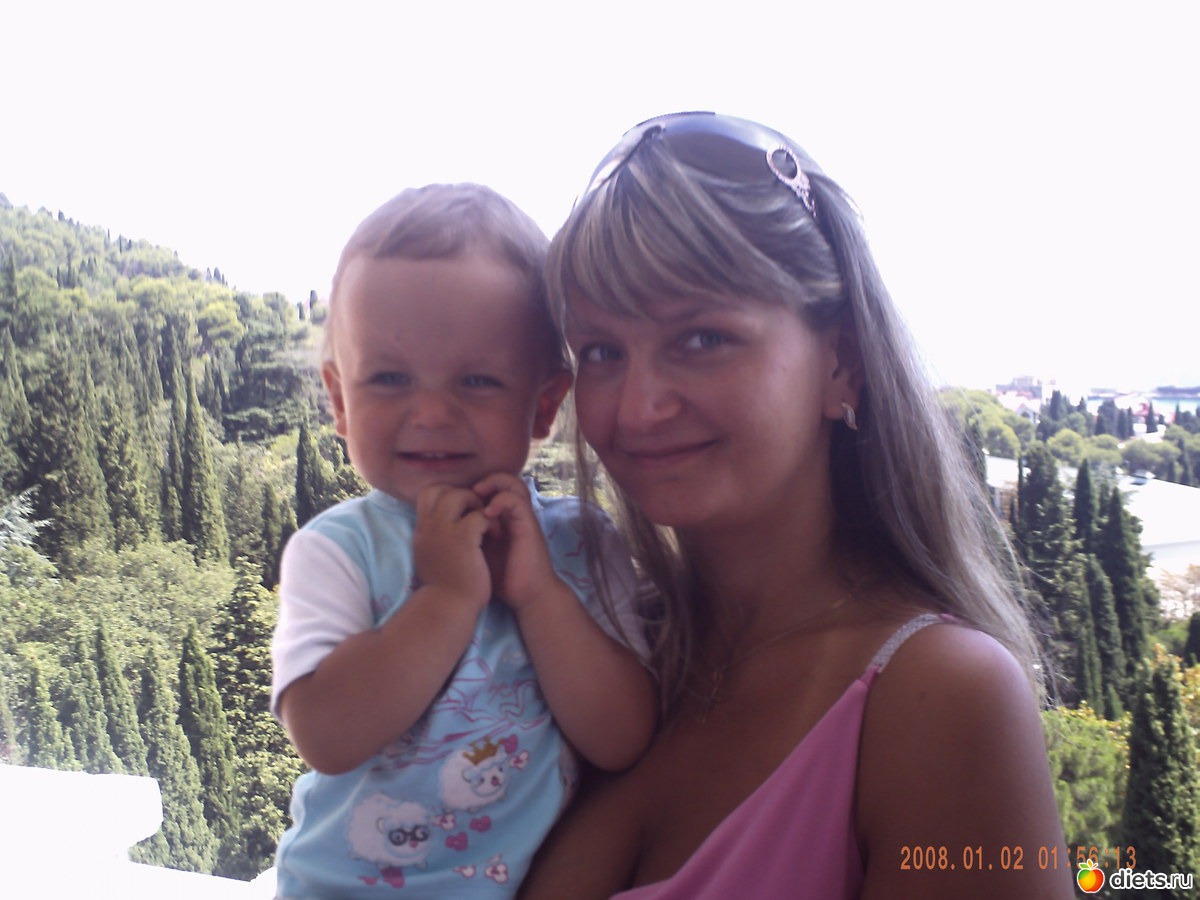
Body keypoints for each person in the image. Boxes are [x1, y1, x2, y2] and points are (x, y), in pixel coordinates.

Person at [518, 113, 1073, 899]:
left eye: (701, 338)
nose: (636, 409)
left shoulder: (943, 702)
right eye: (603, 351)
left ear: (840, 362)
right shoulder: (588, 642)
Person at [270, 183, 657, 898]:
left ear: (544, 404)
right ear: (340, 401)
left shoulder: (581, 540)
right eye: (389, 378)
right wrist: (447, 597)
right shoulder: (336, 552)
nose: (431, 413)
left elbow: (622, 738)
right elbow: (326, 736)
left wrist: (539, 596)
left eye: (476, 381)